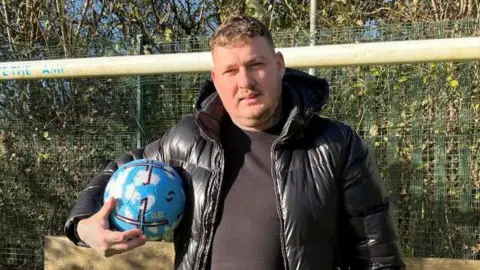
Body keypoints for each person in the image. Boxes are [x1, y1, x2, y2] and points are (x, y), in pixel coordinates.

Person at [65, 15, 406, 270]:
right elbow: (121, 169)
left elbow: (377, 257)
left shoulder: (336, 146)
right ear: (216, 79)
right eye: (230, 71)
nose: (245, 82)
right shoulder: (187, 140)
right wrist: (83, 226)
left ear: (278, 65)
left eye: (255, 65)